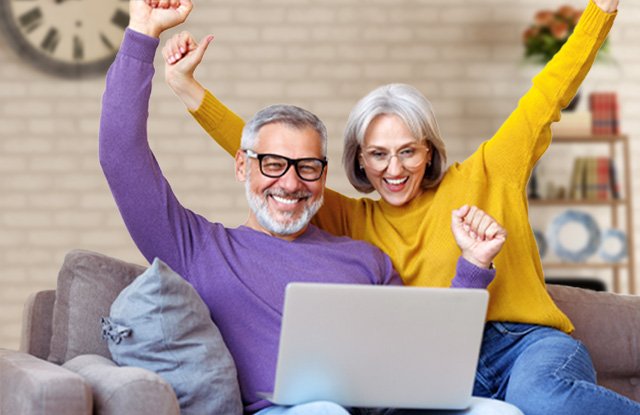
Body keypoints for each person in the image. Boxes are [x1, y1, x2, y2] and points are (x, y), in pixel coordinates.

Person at [162, 0, 640, 414]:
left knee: (544, 401)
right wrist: (188, 90)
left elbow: (547, 95)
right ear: (360, 162)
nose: (394, 169)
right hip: (442, 366)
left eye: (408, 150)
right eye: (378, 155)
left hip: (523, 344)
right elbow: (272, 159)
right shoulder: (351, 220)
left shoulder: (489, 172)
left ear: (429, 150)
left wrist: (602, 10)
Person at [98, 1, 521, 414]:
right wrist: (143, 33)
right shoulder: (198, 248)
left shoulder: (366, 259)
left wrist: (473, 264)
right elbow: (120, 154)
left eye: (307, 168)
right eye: (274, 164)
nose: (290, 182)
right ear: (243, 166)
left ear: (323, 176)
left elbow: (422, 360)